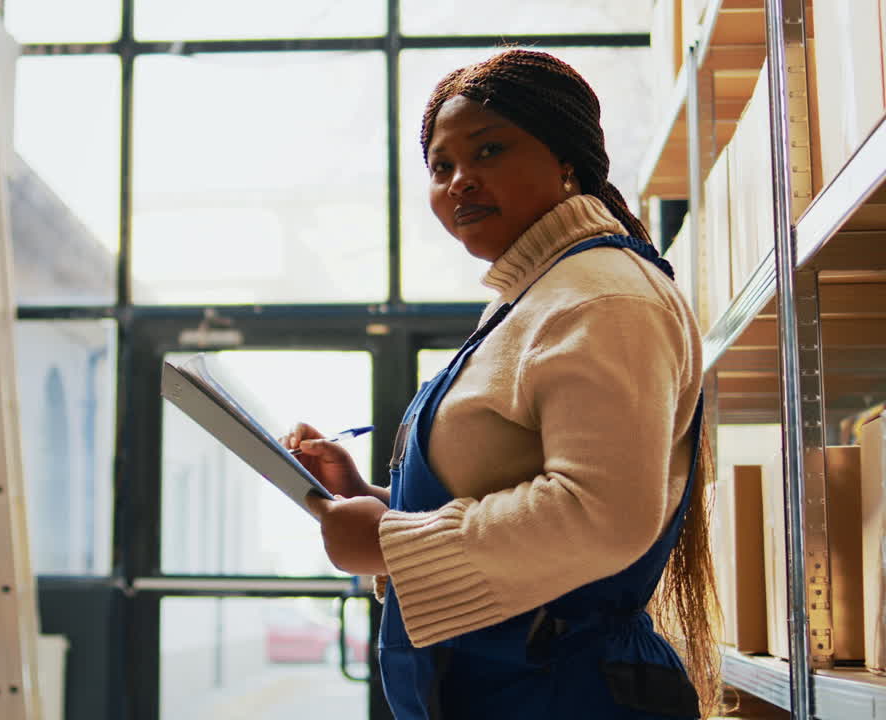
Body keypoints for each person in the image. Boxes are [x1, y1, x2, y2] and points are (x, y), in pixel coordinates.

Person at [284, 49, 719, 719]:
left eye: (488, 151)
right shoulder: (533, 297)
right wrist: (370, 499)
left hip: (569, 696)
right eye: (441, 166)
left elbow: (601, 514)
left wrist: (391, 544)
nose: (459, 181)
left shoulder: (601, 298)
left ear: (566, 160)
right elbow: (501, 488)